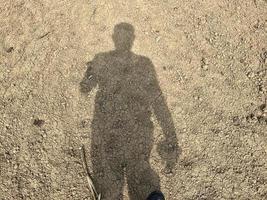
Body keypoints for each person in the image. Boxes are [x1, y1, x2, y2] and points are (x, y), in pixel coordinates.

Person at [80, 22, 179, 200]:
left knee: (127, 174)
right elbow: (158, 100)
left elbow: (85, 87)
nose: (123, 41)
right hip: (121, 131)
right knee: (128, 174)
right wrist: (170, 135)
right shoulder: (139, 63)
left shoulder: (130, 62)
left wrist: (90, 75)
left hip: (124, 131)